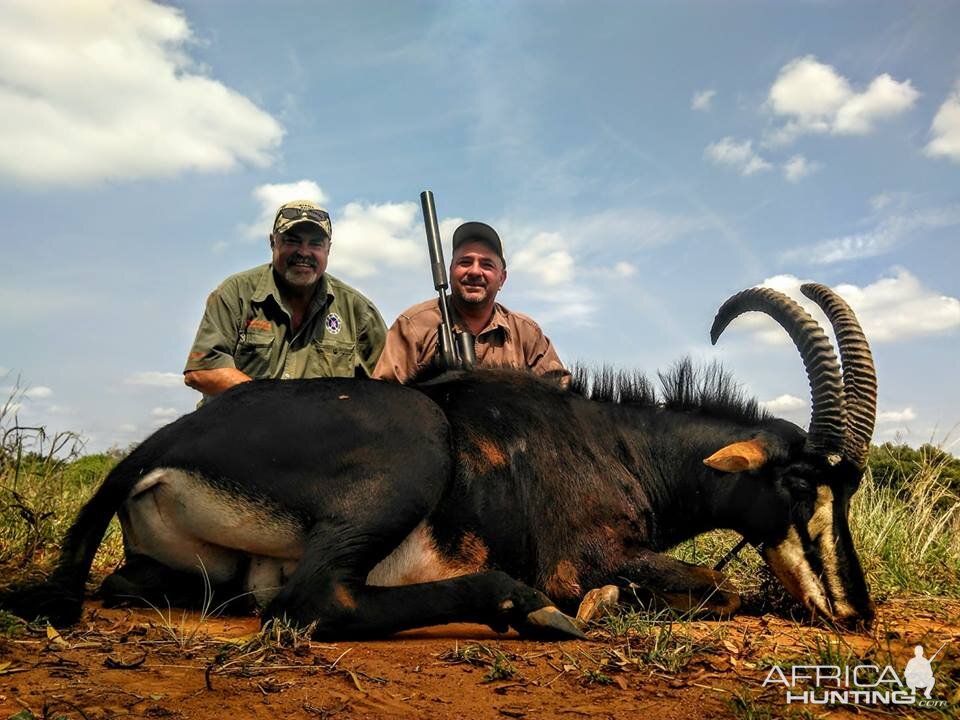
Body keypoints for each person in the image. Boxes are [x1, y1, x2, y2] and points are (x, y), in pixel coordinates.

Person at [184, 199, 387, 401]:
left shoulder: (359, 311)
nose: (304, 252)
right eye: (292, 241)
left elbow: (392, 386)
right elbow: (203, 371)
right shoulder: (235, 293)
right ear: (273, 242)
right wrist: (279, 405)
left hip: (322, 432)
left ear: (328, 249)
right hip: (239, 429)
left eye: (315, 244)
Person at [374, 221, 571, 386]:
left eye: (487, 265)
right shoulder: (413, 325)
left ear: (502, 279)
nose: (475, 272)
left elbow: (562, 395)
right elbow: (385, 399)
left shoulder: (526, 332)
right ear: (450, 272)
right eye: (465, 262)